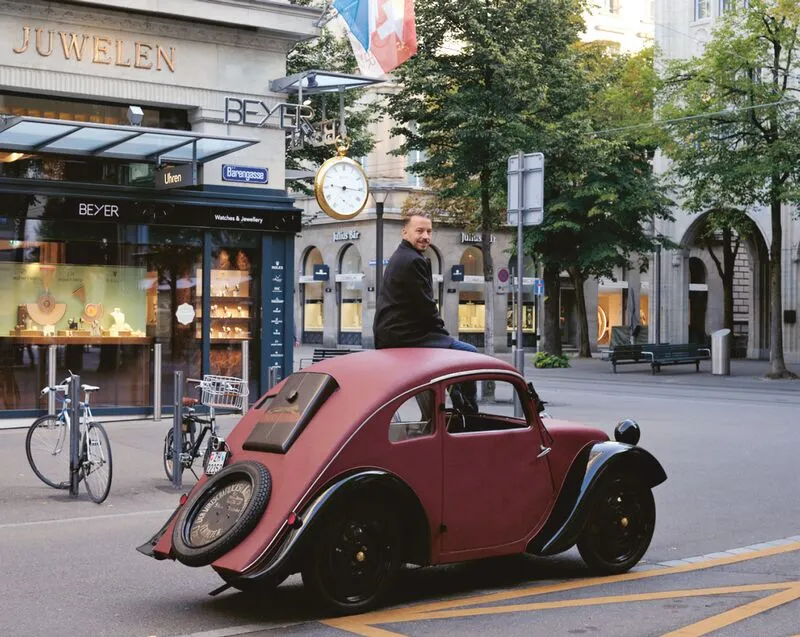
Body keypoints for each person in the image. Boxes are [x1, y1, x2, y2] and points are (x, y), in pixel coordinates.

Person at [373, 211, 478, 411]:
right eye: (419, 231)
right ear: (405, 232)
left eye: (429, 231)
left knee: (443, 368)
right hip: (406, 335)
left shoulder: (403, 256)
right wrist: (443, 336)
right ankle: (469, 415)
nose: (426, 236)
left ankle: (453, 406)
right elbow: (425, 305)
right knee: (470, 355)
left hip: (396, 334)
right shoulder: (412, 260)